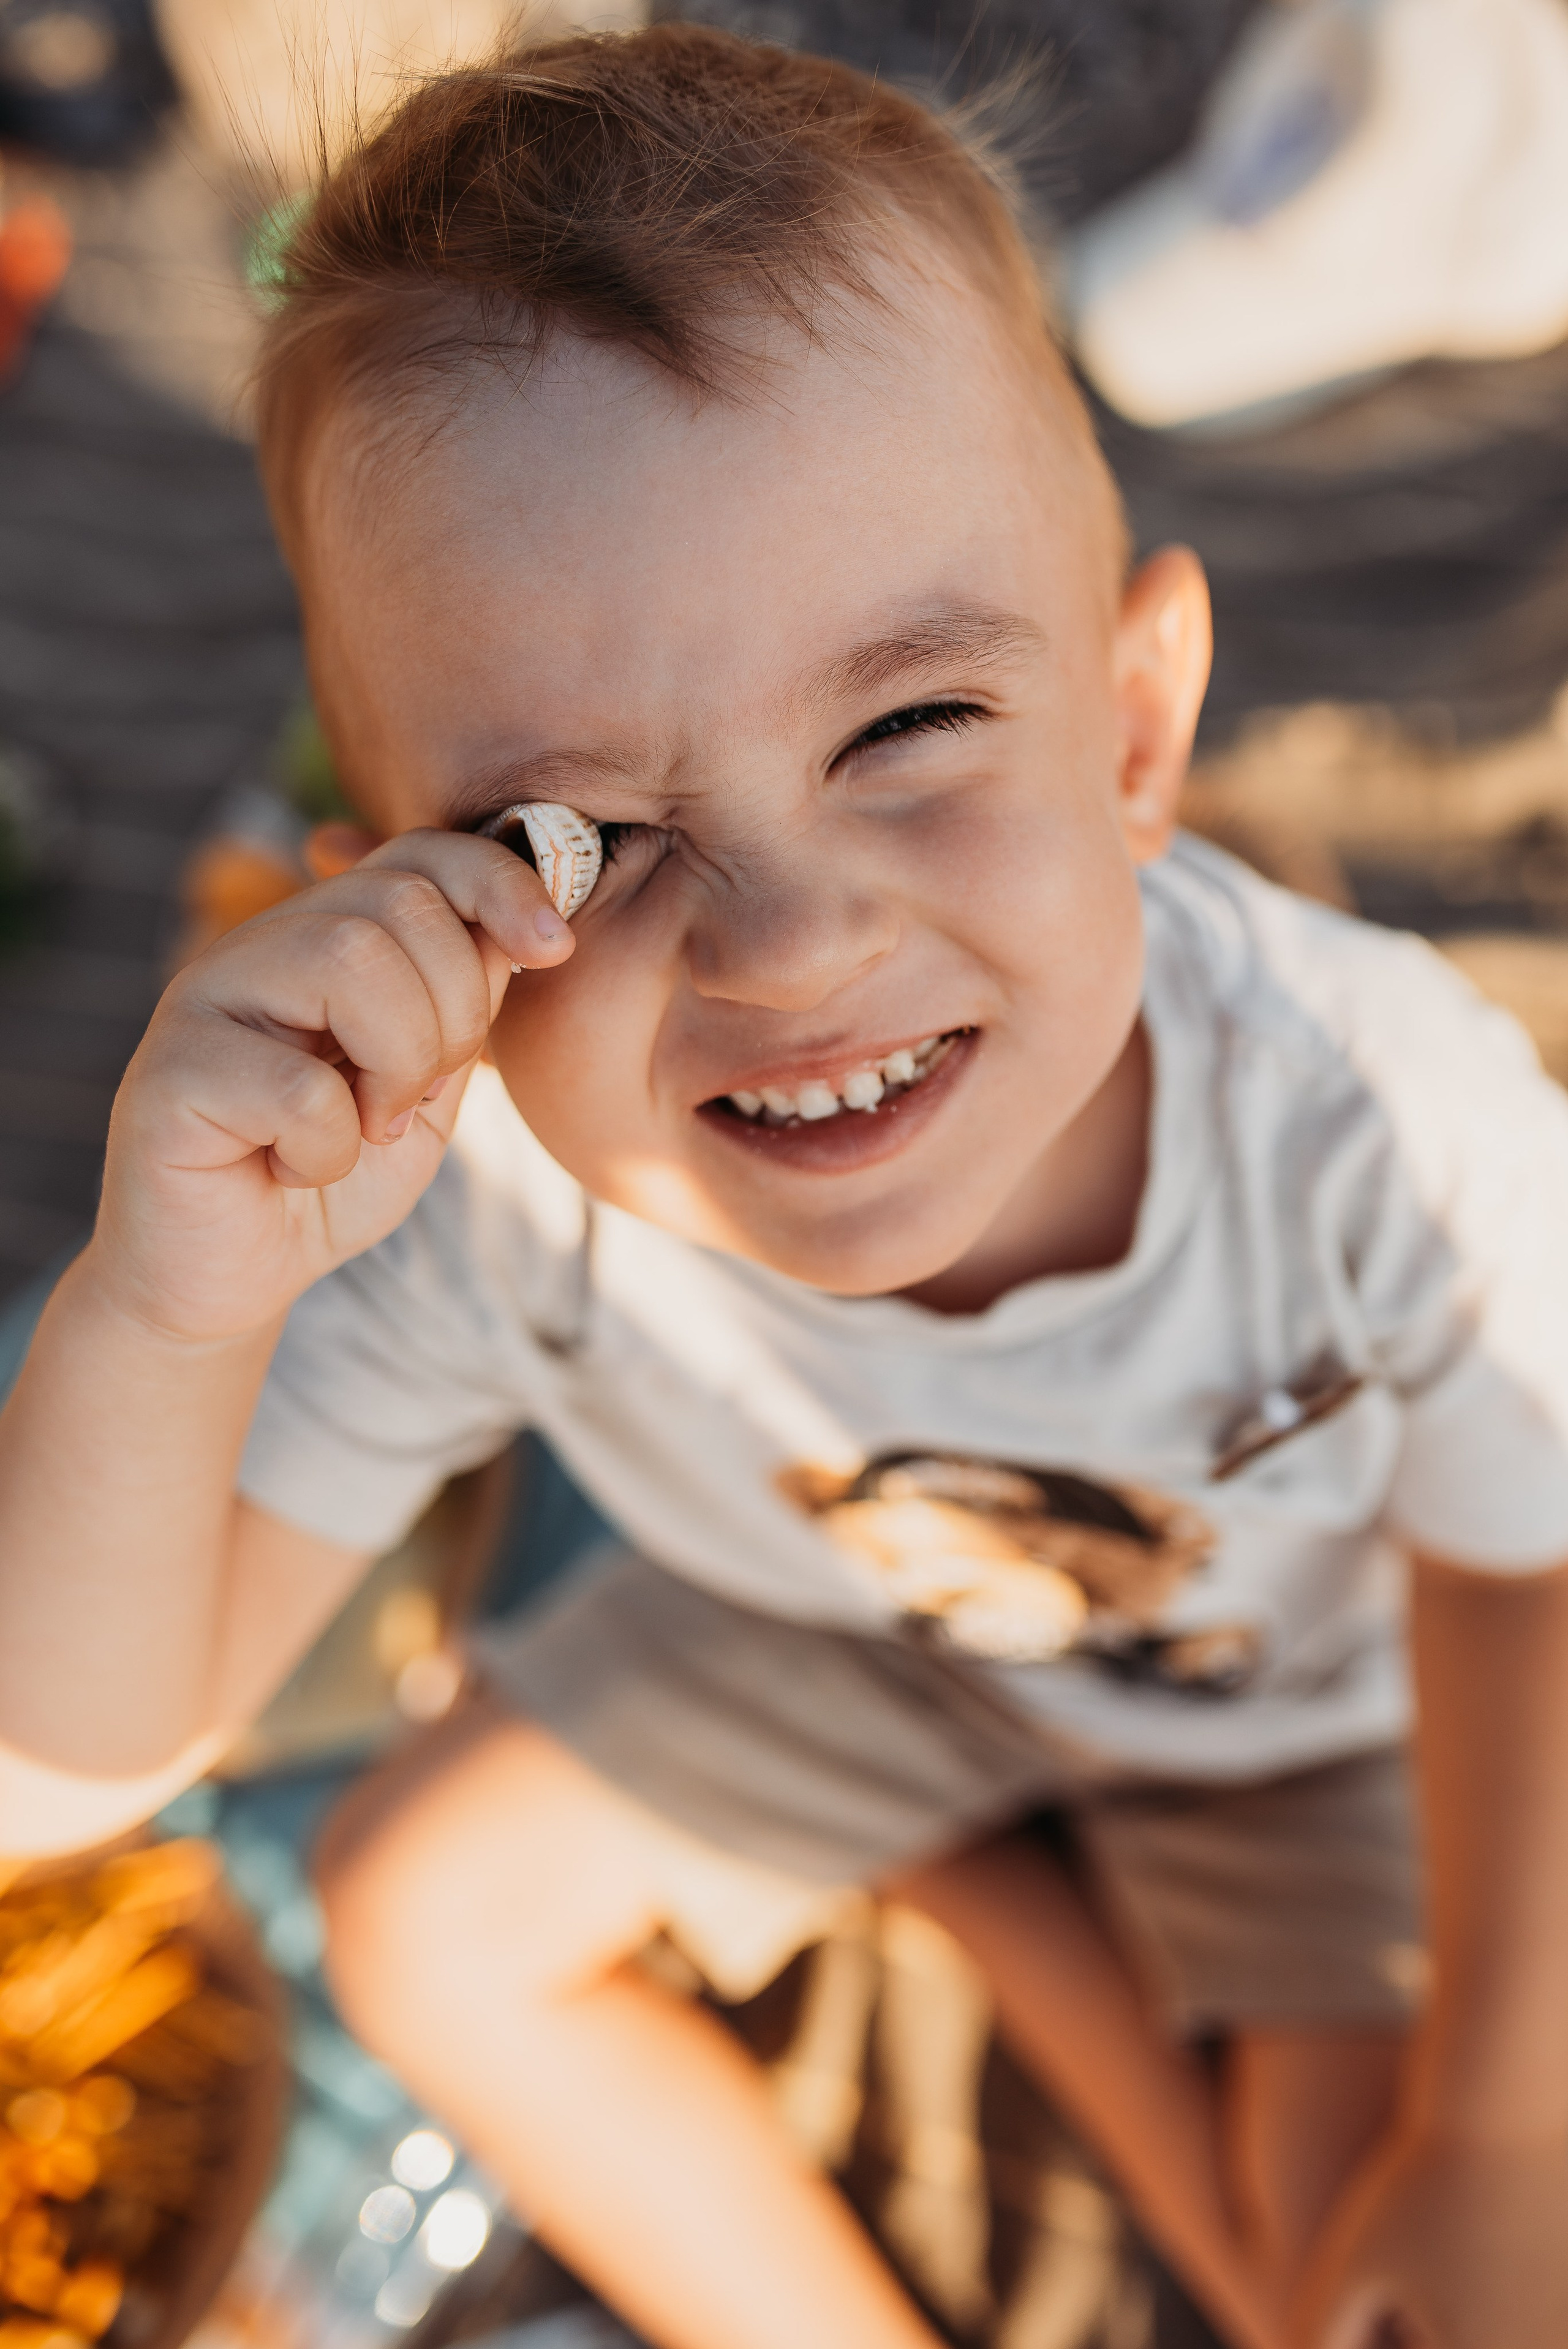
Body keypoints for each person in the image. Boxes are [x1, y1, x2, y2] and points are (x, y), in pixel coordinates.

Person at [3, 25, 1568, 2348]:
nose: (789, 941)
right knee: (421, 1913)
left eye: (911, 727)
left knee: (1385, 2270)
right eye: (573, 840)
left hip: (1289, 1701)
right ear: (397, 903)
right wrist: (162, 1305)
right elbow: (54, 1785)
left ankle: (991, 1904)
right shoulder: (475, 1184)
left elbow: (1524, 1570)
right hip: (836, 1633)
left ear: (1136, 733)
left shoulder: (1377, 1110)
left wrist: (1496, 2138)